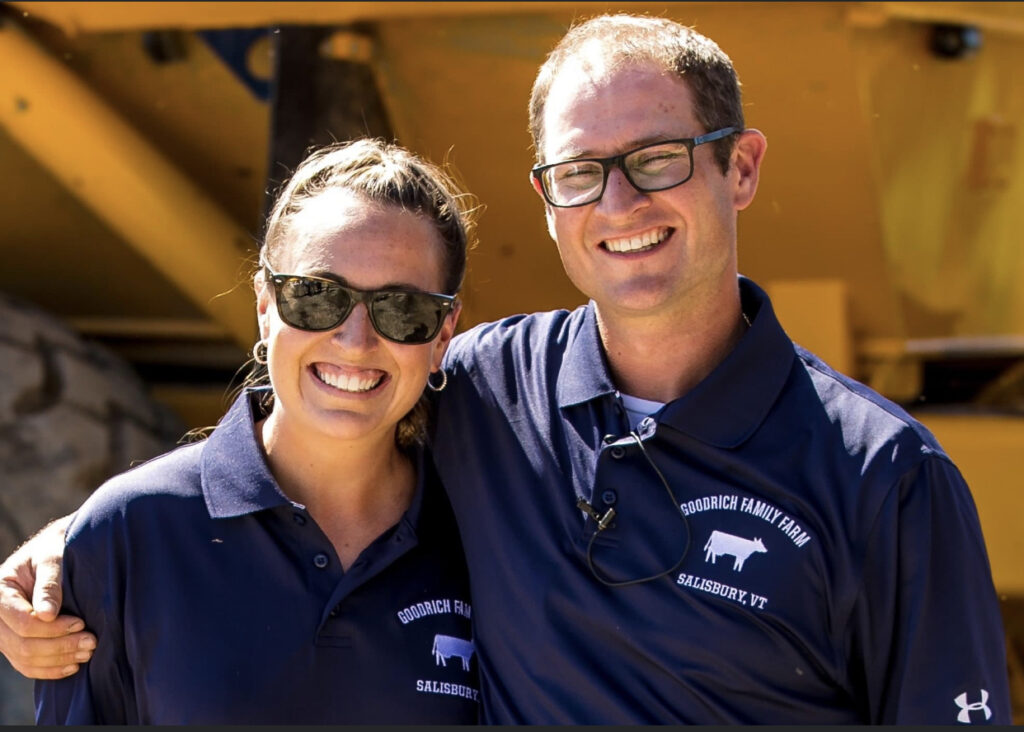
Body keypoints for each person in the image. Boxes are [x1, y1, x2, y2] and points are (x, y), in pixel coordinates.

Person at [1, 13, 1012, 725]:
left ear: (738, 166)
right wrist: (77, 546)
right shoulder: (487, 390)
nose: (617, 203)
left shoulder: (885, 477)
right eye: (578, 172)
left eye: (657, 157)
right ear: (544, 200)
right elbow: (315, 420)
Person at [28, 138, 481, 723]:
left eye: (403, 309)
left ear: (443, 333)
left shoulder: (487, 536)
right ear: (265, 306)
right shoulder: (127, 536)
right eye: (317, 296)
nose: (355, 340)